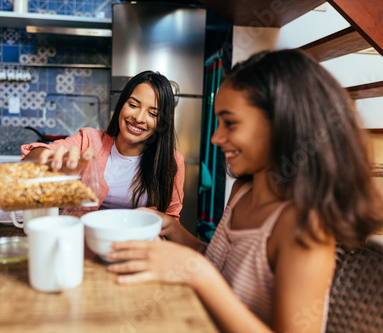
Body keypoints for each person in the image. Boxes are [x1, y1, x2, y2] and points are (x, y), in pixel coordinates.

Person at [106, 50, 383, 332]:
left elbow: (212, 278)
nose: (216, 137)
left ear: (281, 125)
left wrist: (199, 274)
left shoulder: (303, 227)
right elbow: (223, 265)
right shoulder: (242, 193)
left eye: (230, 123)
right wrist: (170, 227)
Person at [21, 70, 185, 220]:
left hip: (138, 247)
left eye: (152, 113)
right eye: (133, 105)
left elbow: (171, 218)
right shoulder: (90, 140)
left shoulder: (172, 161)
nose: (139, 118)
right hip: (86, 242)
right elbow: (32, 157)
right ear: (121, 105)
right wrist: (49, 162)